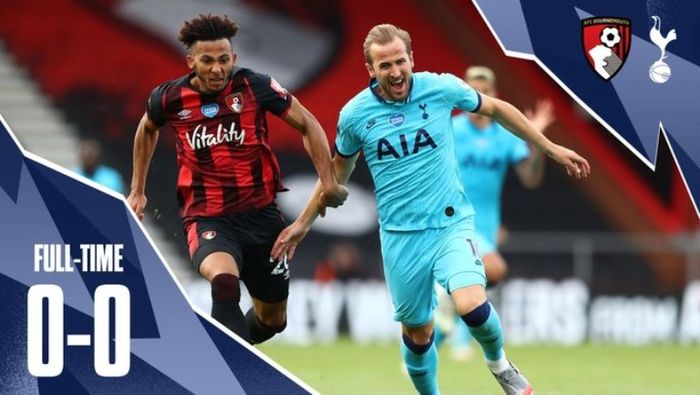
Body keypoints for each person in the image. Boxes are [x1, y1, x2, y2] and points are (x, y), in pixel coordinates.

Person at [271, 24, 589, 395]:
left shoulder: (440, 88)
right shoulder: (355, 115)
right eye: (385, 65)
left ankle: (500, 365)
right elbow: (335, 178)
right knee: (418, 332)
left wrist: (551, 148)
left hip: (450, 223)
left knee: (471, 302)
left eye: (400, 61)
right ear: (370, 69)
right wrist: (302, 224)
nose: (395, 72)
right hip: (400, 237)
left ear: (411, 60)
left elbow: (498, 109)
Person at [126, 14, 347, 345]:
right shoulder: (169, 98)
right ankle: (229, 374)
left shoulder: (255, 86)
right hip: (207, 217)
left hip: (262, 218)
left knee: (272, 321)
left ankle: (228, 354)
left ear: (234, 58)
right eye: (207, 60)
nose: (217, 69)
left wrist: (327, 181)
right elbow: (146, 129)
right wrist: (137, 191)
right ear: (191, 61)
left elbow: (308, 124)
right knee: (224, 283)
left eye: (224, 60)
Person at [433, 66, 557, 359]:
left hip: (487, 224)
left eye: (486, 91)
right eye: (474, 91)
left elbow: (531, 179)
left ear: (494, 95)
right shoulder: (451, 129)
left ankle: (431, 348)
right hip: (454, 220)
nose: (480, 96)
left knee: (471, 288)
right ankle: (458, 340)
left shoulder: (505, 134)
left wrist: (536, 142)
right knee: (494, 269)